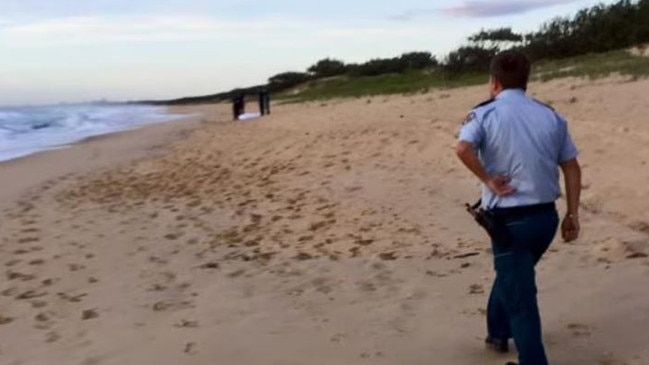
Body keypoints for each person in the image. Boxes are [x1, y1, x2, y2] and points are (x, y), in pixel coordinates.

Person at [455, 50, 582, 365]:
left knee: (521, 296)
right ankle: (497, 333)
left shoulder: (484, 113)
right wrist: (572, 214)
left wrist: (488, 179)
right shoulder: (550, 115)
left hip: (508, 221)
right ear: (526, 80)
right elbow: (572, 167)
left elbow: (462, 148)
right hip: (545, 220)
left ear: (494, 82)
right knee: (513, 275)